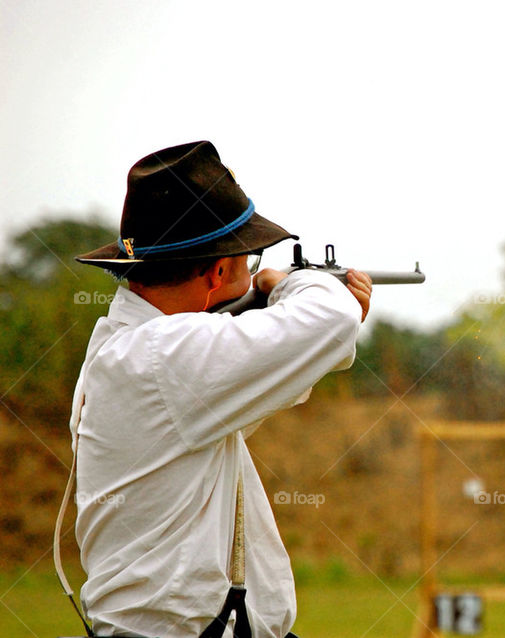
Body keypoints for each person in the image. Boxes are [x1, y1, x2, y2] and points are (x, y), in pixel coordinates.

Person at [66, 140, 372, 637]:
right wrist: (294, 284)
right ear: (217, 270)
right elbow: (329, 319)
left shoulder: (132, 349)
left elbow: (279, 374)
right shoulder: (160, 352)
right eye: (247, 262)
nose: (252, 272)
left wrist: (317, 320)